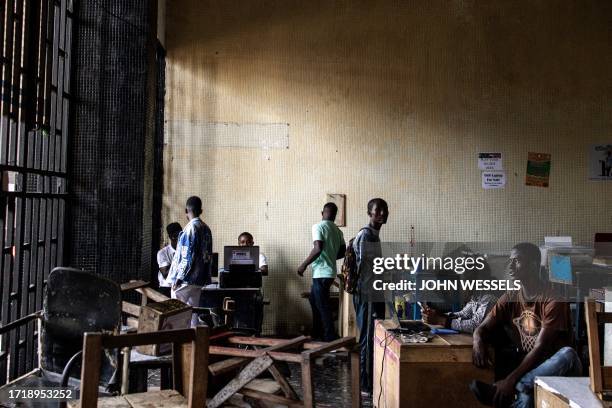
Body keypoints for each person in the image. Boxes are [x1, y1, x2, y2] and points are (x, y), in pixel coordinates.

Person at [470, 242, 582, 408]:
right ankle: (519, 391)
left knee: (569, 354)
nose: (511, 266)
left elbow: (540, 348)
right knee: (528, 397)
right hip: (531, 374)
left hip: (560, 372)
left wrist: (510, 381)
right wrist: (477, 339)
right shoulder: (510, 297)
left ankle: (513, 388)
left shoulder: (553, 299)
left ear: (533, 265)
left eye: (517, 260)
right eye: (510, 261)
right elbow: (483, 327)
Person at [352, 198, 389, 396]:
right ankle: (366, 384)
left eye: (385, 210)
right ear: (370, 213)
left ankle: (371, 379)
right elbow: (368, 271)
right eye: (378, 210)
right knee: (368, 337)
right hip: (367, 295)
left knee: (373, 335)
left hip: (373, 293)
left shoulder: (374, 236)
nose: (382, 213)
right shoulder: (367, 236)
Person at [297, 202, 346, 342]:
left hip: (321, 273)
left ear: (322, 213)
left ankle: (330, 337)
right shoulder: (337, 231)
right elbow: (343, 251)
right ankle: (316, 332)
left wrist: (303, 265)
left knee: (322, 305)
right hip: (330, 273)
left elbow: (318, 248)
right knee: (314, 300)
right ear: (335, 215)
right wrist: (330, 256)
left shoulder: (318, 226)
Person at [166, 196, 213, 327]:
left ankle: (177, 337)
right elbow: (208, 255)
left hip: (186, 278)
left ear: (186, 210)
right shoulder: (206, 229)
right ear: (201, 210)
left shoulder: (190, 229)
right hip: (199, 279)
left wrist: (179, 278)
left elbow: (187, 256)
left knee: (176, 309)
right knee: (193, 312)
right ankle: (193, 339)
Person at [156, 222, 182, 297]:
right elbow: (166, 275)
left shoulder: (185, 250)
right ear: (172, 237)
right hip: (166, 287)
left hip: (180, 287)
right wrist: (179, 258)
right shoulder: (162, 253)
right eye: (179, 235)